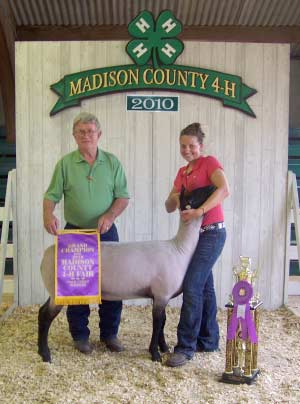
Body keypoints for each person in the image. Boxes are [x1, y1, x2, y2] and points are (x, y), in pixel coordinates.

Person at [43, 112, 130, 355]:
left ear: (99, 135)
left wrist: (110, 215)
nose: (86, 135)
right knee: (75, 287)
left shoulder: (112, 162)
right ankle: (80, 336)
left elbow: (123, 197)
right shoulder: (65, 163)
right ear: (74, 135)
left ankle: (110, 334)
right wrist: (48, 215)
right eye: (80, 131)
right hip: (76, 232)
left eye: (90, 131)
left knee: (113, 285)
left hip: (107, 232)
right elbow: (51, 196)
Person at [165, 122, 229, 367]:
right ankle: (209, 339)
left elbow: (224, 189)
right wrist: (173, 198)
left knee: (192, 285)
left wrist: (200, 210)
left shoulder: (209, 163)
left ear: (200, 146)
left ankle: (185, 347)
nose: (187, 150)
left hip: (212, 232)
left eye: (192, 145)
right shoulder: (182, 173)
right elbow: (169, 207)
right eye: (183, 146)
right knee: (204, 287)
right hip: (192, 237)